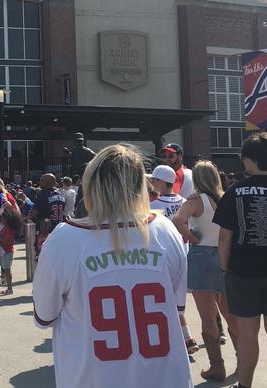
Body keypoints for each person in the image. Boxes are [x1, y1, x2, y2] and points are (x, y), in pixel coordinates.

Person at [33, 144, 192, 388]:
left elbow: (44, 316)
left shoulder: (63, 239)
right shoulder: (164, 230)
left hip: (92, 378)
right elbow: (177, 305)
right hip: (165, 378)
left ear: (91, 185)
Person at [213, 132, 267, 388]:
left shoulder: (234, 191)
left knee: (247, 335)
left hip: (242, 272)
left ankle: (245, 384)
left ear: (249, 160)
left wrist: (225, 269)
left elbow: (224, 237)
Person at [172, 160, 239, 382]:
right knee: (230, 314)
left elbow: (177, 220)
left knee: (207, 316)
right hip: (224, 255)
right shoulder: (226, 198)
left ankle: (216, 367)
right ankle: (243, 358)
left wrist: (191, 237)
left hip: (201, 256)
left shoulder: (196, 200)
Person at [148, 164, 196, 354]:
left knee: (166, 302)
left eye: (154, 179)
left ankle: (178, 339)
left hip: (164, 257)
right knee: (177, 302)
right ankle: (187, 338)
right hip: (185, 253)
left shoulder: (153, 206)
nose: (152, 182)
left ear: (160, 182)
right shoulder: (186, 201)